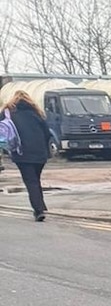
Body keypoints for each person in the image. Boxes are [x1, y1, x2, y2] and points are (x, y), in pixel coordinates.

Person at [3, 89, 54, 221]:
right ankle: (40, 206)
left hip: (21, 152)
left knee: (31, 181)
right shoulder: (37, 113)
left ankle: (38, 210)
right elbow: (48, 133)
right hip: (40, 153)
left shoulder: (8, 112)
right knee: (35, 180)